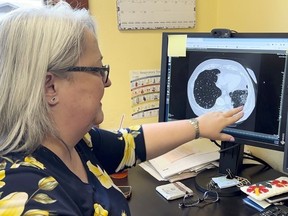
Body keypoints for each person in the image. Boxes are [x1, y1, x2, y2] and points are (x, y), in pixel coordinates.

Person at [0, 2, 244, 216]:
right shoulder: (25, 195)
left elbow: (131, 142)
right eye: (98, 70)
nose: (107, 82)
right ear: (50, 87)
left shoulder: (77, 144)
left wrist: (200, 126)